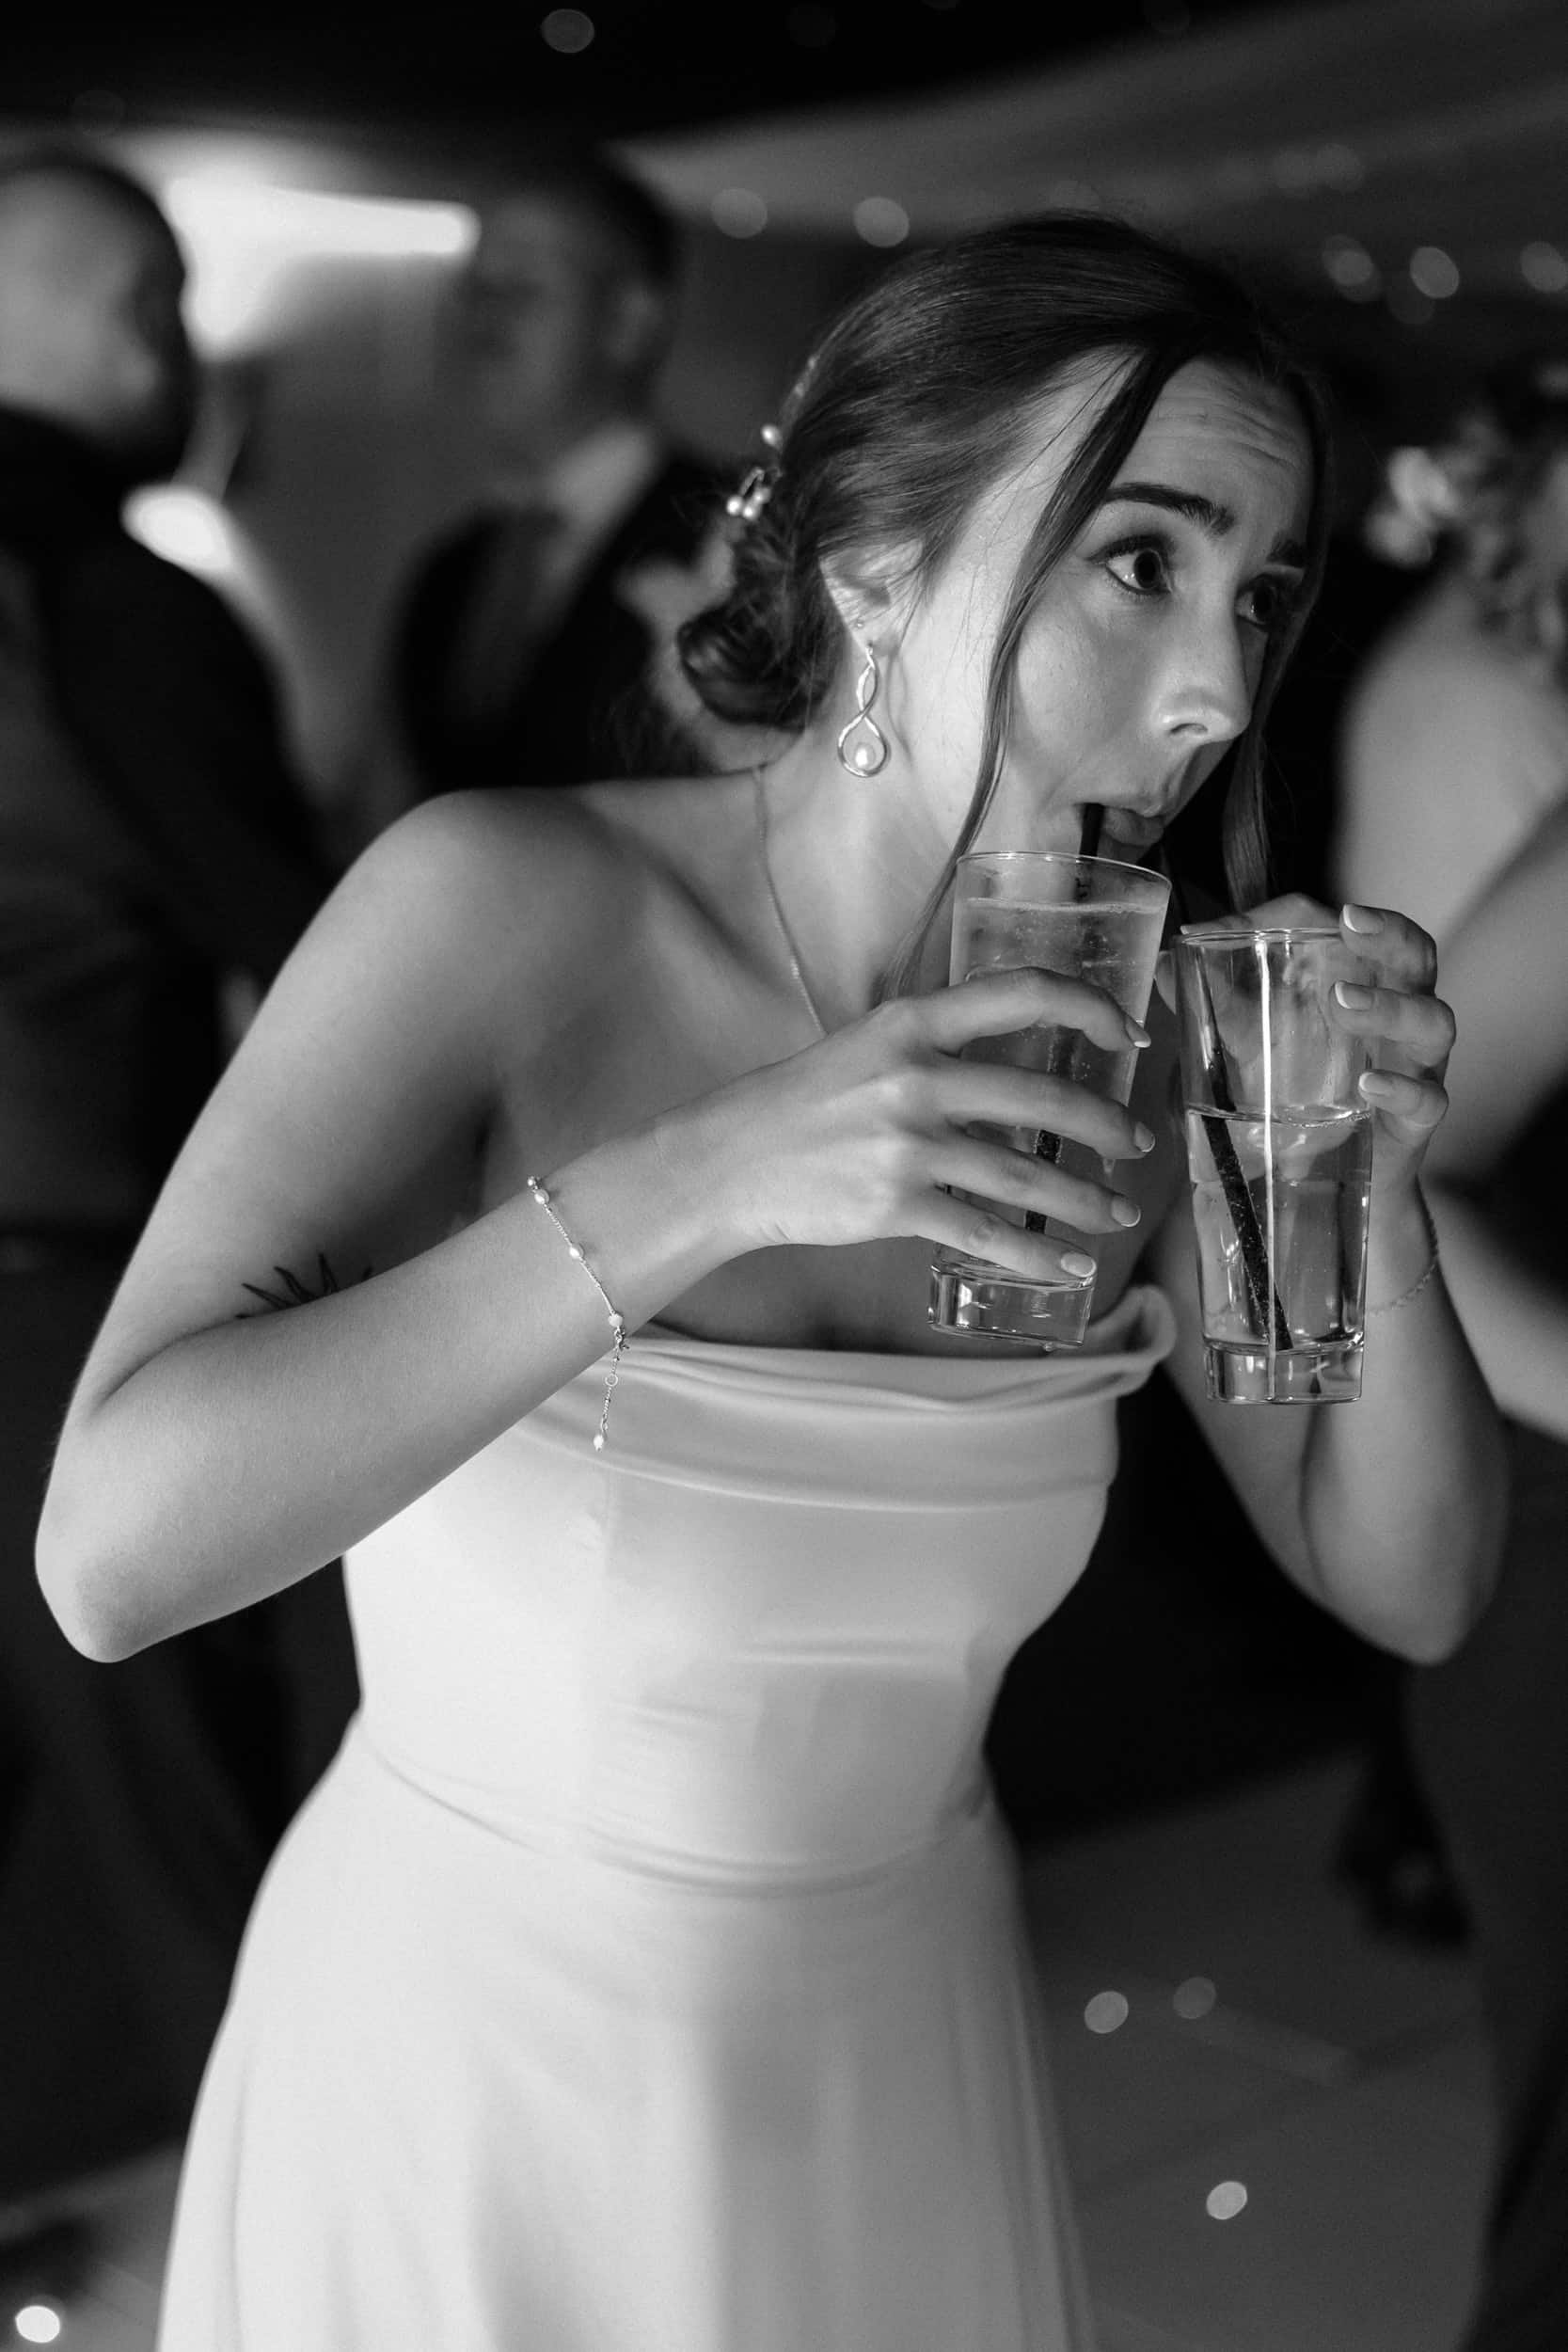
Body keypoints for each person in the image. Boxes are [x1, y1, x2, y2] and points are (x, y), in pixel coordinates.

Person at [38, 214, 1503, 2352]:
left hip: (895, 2070)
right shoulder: (505, 907)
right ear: (874, 571)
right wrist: (708, 1180)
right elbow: (111, 1554)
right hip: (477, 2078)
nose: (1214, 690)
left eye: (1259, 596)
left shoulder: (1149, 1039)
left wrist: (1362, 1171)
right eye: (1140, 561)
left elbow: (1407, 1578)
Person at [0, 146, 355, 2260]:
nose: (178, 349)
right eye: (149, 301)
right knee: (192, 1833)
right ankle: (289, 2262)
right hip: (60, 1296)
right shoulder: (111, 598)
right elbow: (317, 961)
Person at [351, 152, 733, 838]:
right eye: (475, 290)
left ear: (629, 322)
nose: (482, 325)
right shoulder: (447, 569)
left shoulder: (730, 541)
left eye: (522, 290)